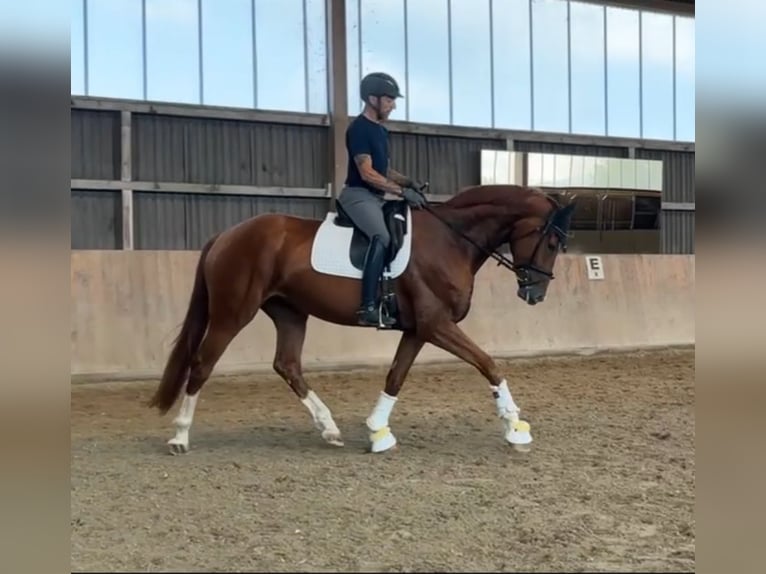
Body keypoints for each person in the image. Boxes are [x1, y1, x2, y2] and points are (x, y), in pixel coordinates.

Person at [337, 72, 428, 328]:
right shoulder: (359, 129)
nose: (393, 105)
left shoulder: (380, 131)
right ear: (372, 99)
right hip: (358, 195)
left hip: (376, 197)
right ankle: (367, 306)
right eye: (389, 100)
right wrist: (401, 193)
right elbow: (367, 173)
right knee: (382, 237)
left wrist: (407, 182)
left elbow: (384, 170)